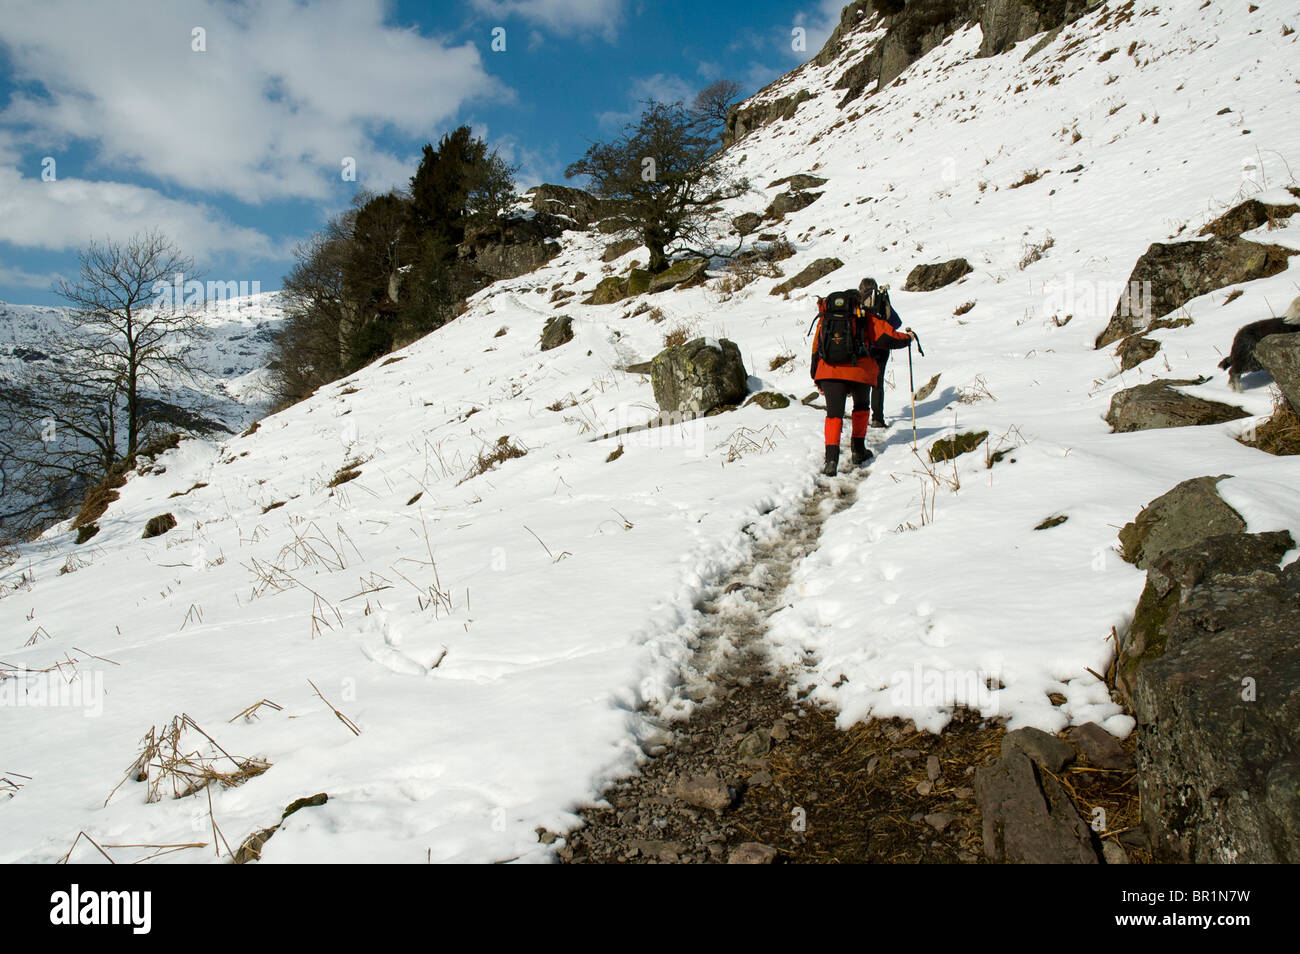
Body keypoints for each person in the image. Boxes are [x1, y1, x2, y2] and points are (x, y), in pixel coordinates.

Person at [810, 280, 914, 476]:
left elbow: (817, 346)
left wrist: (816, 376)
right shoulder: (864, 315)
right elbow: (886, 336)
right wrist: (909, 338)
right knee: (861, 407)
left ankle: (831, 461)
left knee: (833, 415)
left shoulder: (828, 316)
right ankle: (858, 451)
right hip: (859, 370)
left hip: (829, 370)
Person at [859, 277, 904, 428]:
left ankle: (861, 418)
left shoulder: (857, 303)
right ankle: (877, 418)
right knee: (877, 383)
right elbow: (897, 322)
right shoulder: (881, 302)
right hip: (881, 349)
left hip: (863, 349)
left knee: (863, 383)